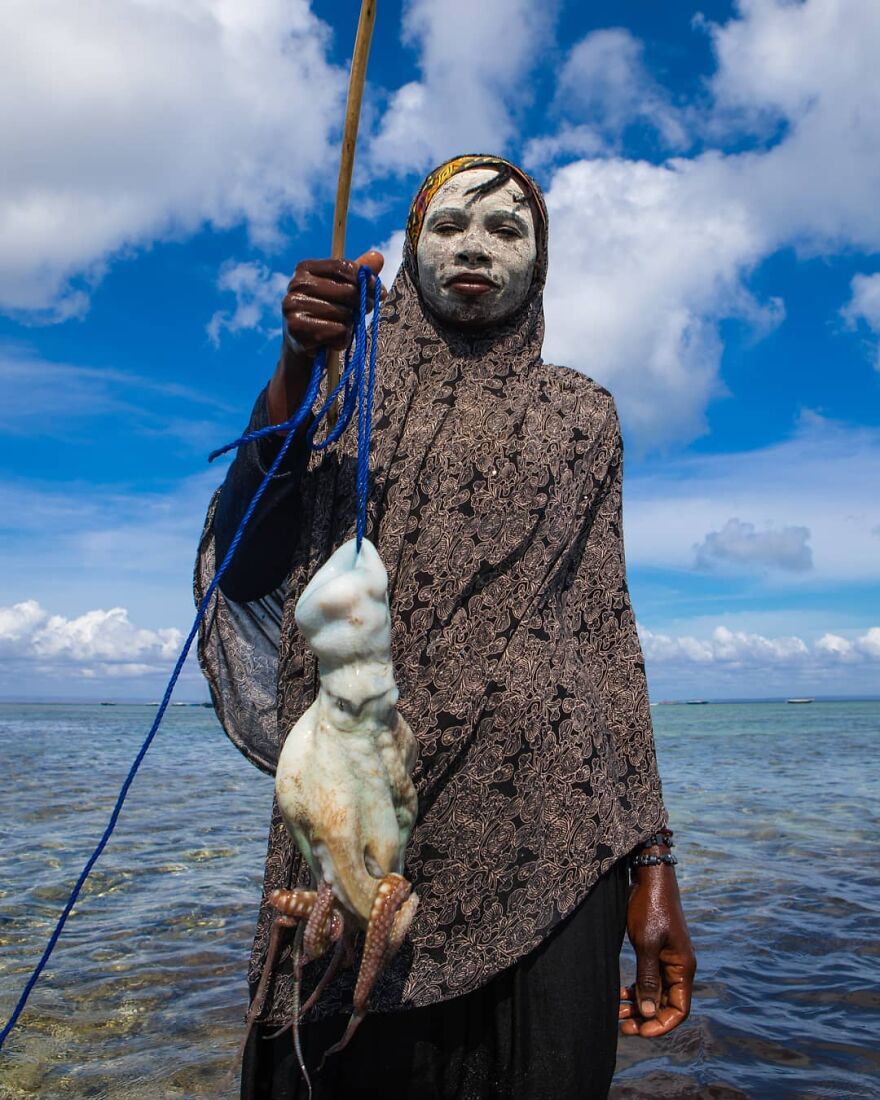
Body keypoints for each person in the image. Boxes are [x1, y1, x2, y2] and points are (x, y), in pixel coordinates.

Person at [196, 154, 696, 1100]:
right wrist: (298, 364)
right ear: (411, 248)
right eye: (450, 225)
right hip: (353, 812)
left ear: (539, 267)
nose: (476, 246)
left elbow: (604, 634)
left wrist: (653, 864)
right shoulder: (344, 382)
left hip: (554, 836)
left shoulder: (583, 416)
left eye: (508, 231)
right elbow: (249, 563)